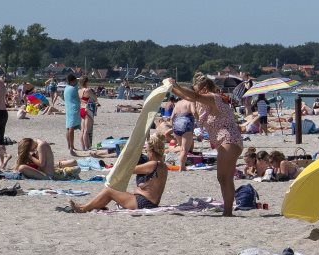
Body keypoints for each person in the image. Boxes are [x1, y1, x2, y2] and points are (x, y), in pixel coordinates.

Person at [166, 75, 243, 216]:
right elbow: (187, 96)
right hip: (227, 141)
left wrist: (176, 85)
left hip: (229, 140)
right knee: (223, 178)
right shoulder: (205, 101)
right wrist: (170, 87)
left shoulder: (214, 98)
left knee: (225, 178)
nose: (196, 93)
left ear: (205, 89)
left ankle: (228, 212)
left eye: (197, 90)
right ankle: (228, 211)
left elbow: (193, 96)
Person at [64, 140, 169, 212]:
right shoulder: (163, 166)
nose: (146, 154)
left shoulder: (152, 164)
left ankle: (83, 209)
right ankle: (87, 206)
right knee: (115, 191)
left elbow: (128, 170)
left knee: (109, 191)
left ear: (151, 151)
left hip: (143, 203)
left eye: (147, 151)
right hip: (151, 203)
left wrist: (129, 158)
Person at [14, 138, 79, 180]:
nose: (32, 150)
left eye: (30, 149)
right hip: (45, 172)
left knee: (22, 168)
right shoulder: (39, 144)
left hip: (48, 175)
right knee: (20, 167)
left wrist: (31, 157)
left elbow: (41, 164)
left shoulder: (41, 146)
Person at [170, 97, 196, 168]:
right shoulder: (190, 101)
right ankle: (182, 166)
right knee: (185, 149)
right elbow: (194, 112)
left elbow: (172, 117)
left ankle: (181, 165)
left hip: (176, 125)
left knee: (182, 147)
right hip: (186, 124)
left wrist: (172, 128)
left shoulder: (178, 103)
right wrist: (198, 120)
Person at [78, 76, 99, 150]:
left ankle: (83, 147)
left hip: (82, 109)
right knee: (86, 130)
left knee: (82, 130)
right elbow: (95, 98)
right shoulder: (88, 90)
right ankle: (87, 146)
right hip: (88, 110)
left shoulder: (79, 91)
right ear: (86, 82)